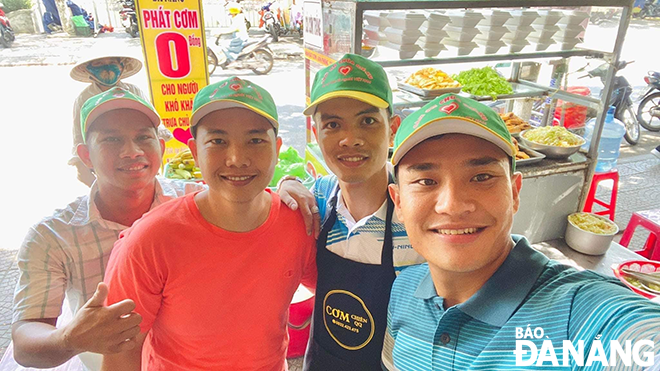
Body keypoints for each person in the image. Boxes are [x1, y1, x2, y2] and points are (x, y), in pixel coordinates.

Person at [382, 93, 660, 370]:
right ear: (399, 203)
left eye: (481, 177)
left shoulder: (577, 313)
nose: (452, 206)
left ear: (514, 193)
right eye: (426, 181)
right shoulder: (403, 289)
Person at [101, 77, 317, 371]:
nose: (237, 158)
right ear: (194, 151)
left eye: (255, 140)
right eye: (218, 141)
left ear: (277, 148)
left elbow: (339, 290)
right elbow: (120, 353)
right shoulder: (150, 239)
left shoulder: (298, 223)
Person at [11, 87, 205, 370]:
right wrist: (70, 338)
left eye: (143, 137)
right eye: (112, 139)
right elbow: (26, 341)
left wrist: (291, 185)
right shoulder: (52, 237)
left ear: (161, 148)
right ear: (86, 156)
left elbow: (258, 201)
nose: (132, 151)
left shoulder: (197, 200)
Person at [278, 53, 424, 371]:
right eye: (333, 124)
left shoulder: (421, 213)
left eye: (368, 121)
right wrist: (286, 185)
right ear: (316, 133)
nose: (350, 139)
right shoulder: (316, 199)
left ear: (393, 129)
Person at [69, 55, 172, 187]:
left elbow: (154, 126)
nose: (107, 68)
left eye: (112, 62)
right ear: (88, 70)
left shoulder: (133, 91)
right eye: (99, 64)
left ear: (122, 66)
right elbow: (79, 137)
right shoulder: (84, 98)